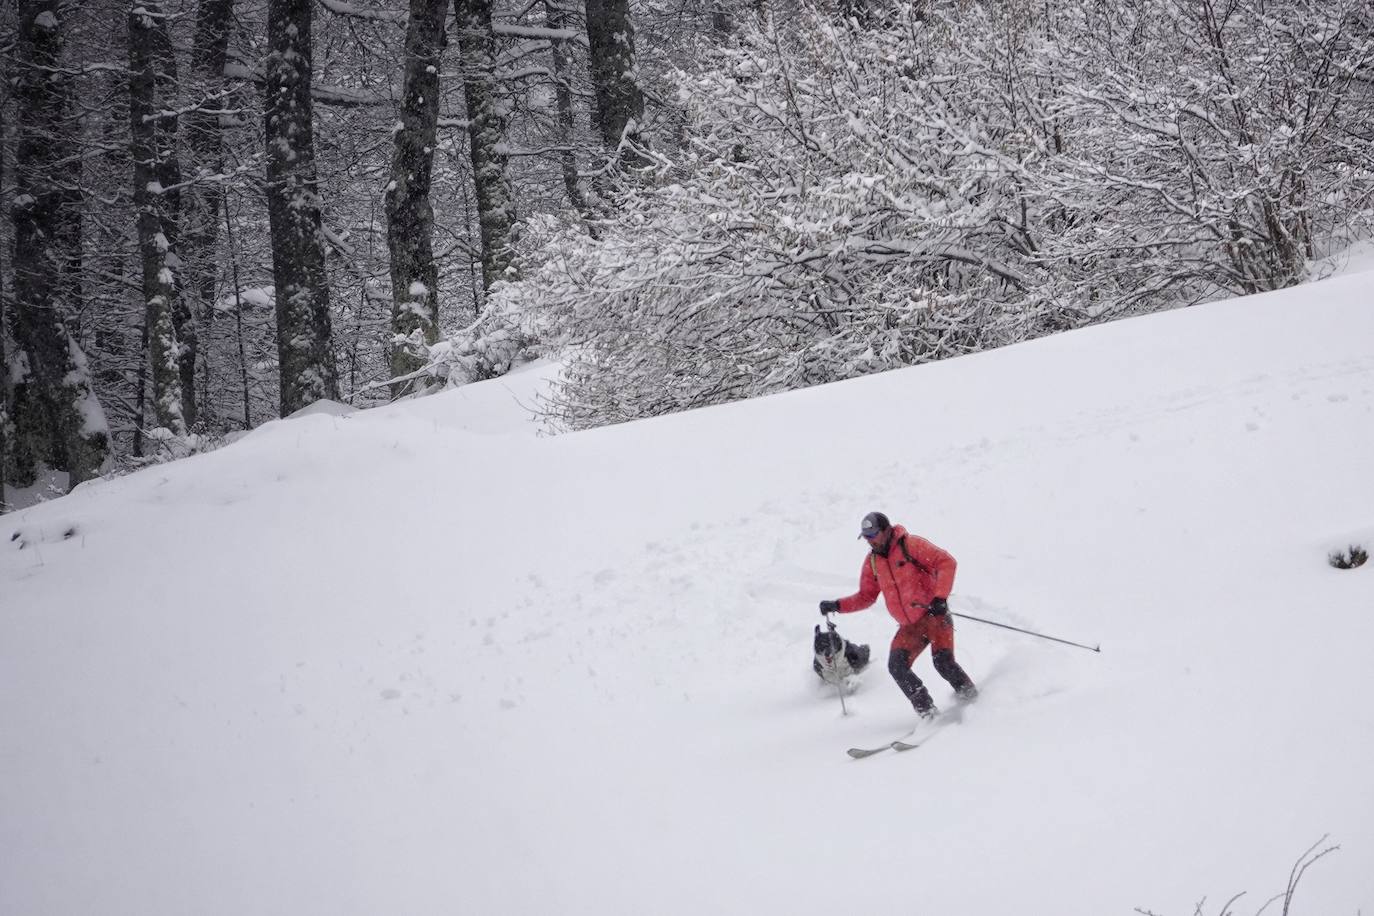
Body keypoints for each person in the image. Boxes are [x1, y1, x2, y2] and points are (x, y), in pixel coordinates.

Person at [819, 511, 977, 718]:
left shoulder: (910, 545)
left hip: (934, 617)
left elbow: (946, 562)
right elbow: (866, 596)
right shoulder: (873, 562)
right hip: (910, 627)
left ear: (886, 531)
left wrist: (940, 598)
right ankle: (927, 713)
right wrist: (837, 605)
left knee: (943, 663)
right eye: (866, 537)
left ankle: (972, 699)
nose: (870, 541)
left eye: (872, 535)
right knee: (897, 666)